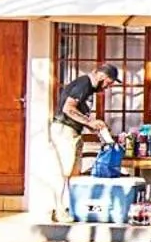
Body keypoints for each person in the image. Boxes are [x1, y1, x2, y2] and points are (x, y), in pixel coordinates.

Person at [48, 63, 120, 221]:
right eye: (109, 82)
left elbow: (78, 111)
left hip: (73, 131)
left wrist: (93, 125)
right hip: (64, 130)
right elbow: (68, 108)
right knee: (63, 171)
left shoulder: (88, 89)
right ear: (102, 76)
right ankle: (58, 209)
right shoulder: (84, 83)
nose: (107, 87)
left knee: (73, 172)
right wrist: (89, 122)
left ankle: (69, 208)